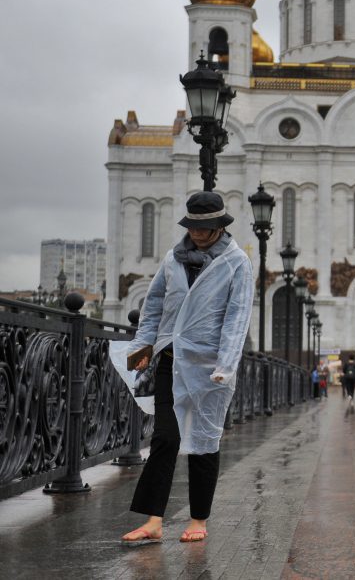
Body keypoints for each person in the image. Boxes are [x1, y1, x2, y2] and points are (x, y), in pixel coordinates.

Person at [120, 191, 254, 545]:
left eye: (205, 227)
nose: (197, 233)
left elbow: (237, 317)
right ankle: (153, 520)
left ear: (219, 227)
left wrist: (227, 364)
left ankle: (198, 519)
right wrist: (141, 346)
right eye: (193, 226)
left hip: (210, 367)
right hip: (170, 359)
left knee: (204, 441)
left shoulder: (237, 262)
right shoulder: (173, 259)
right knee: (165, 438)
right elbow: (153, 307)